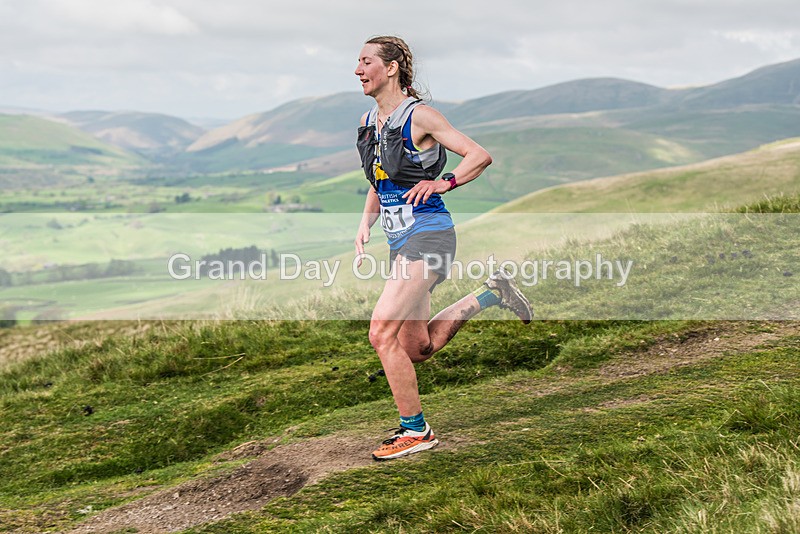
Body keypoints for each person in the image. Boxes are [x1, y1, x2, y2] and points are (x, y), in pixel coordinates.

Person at [354, 35, 533, 461]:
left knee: (381, 331)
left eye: (365, 62)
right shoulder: (368, 121)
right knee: (418, 349)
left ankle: (416, 431)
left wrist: (444, 181)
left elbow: (478, 154)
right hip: (401, 242)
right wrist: (365, 221)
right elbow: (381, 180)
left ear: (392, 67)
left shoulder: (421, 116)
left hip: (430, 235)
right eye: (357, 63)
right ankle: (492, 293)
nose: (358, 70)